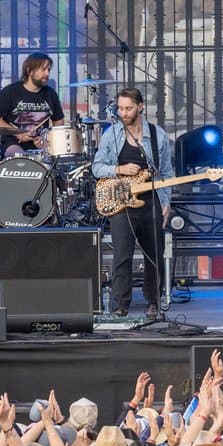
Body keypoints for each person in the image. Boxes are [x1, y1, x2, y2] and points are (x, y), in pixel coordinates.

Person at [91, 87, 175, 318]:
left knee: (154, 254)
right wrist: (118, 169)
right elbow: (97, 167)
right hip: (121, 200)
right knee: (122, 254)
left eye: (128, 108)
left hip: (151, 200)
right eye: (120, 108)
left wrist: (166, 202)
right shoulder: (111, 134)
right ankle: (120, 305)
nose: (123, 113)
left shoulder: (157, 135)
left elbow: (166, 173)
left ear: (140, 107)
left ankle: (154, 302)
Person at [0, 52, 65, 157]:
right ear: (29, 70)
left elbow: (59, 121)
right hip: (13, 144)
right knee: (18, 155)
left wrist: (47, 139)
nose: (47, 73)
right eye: (43, 69)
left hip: (40, 147)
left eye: (48, 70)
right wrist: (17, 133)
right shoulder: (10, 91)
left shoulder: (50, 94)